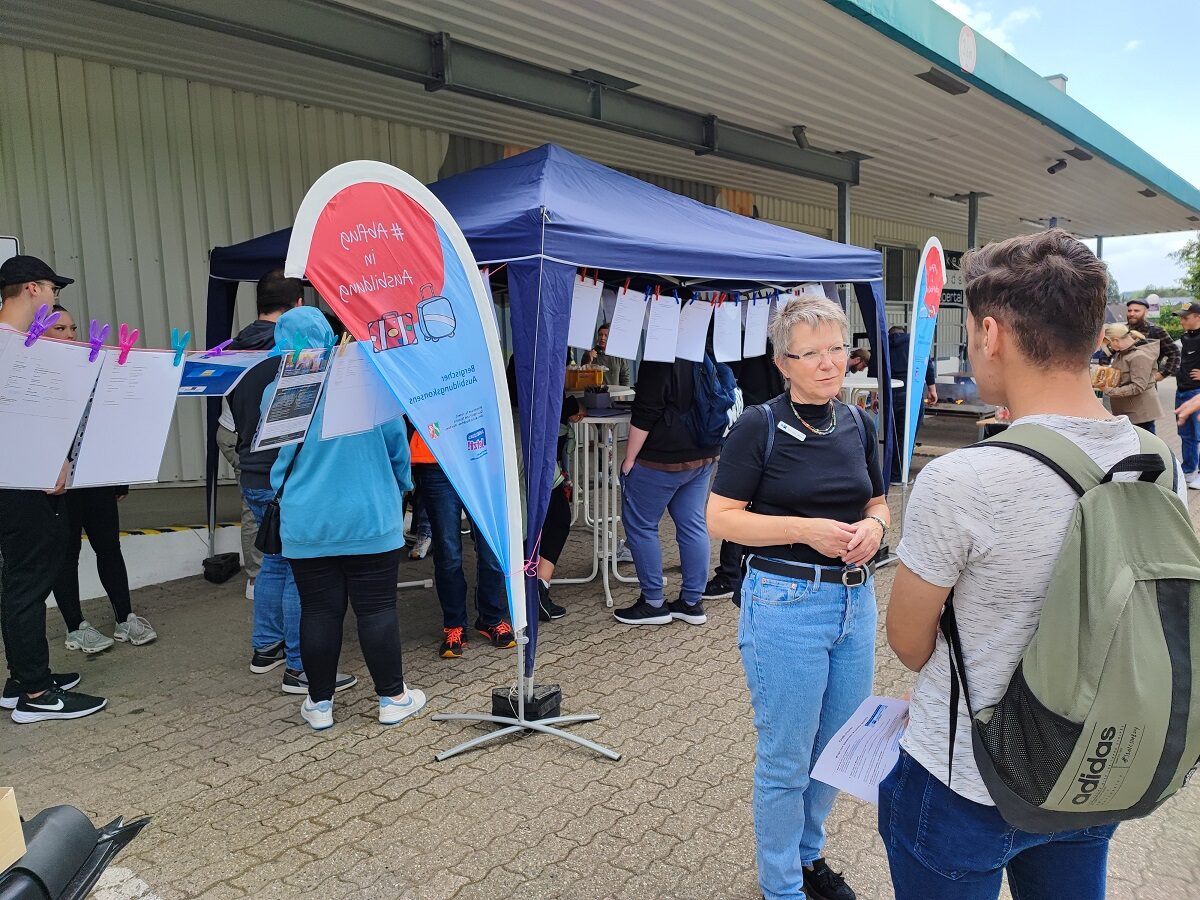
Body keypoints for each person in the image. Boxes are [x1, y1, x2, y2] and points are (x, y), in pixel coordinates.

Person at [881, 231, 1186, 899]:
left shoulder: (963, 477)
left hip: (967, 777)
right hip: (1089, 765)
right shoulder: (1155, 460)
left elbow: (908, 644)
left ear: (991, 334)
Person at [707, 296, 887, 900]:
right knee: (787, 755)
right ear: (782, 362)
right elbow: (721, 519)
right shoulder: (758, 425)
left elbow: (878, 501)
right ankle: (781, 884)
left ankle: (809, 857)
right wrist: (803, 528)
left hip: (855, 605)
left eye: (836, 348)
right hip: (785, 603)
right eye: (810, 353)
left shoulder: (858, 422)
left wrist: (878, 529)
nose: (828, 363)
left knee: (835, 746)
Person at [268, 308, 424, 730]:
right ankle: (392, 699)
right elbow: (397, 445)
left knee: (318, 611)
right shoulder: (369, 380)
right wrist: (403, 484)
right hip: (370, 515)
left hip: (306, 521)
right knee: (376, 609)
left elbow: (277, 459)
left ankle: (319, 706)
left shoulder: (281, 390)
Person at [229, 270, 354, 695]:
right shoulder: (297, 358)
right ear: (298, 307)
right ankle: (301, 668)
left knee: (274, 561)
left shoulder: (236, 351)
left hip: (251, 470)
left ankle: (266, 648)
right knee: (304, 570)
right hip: (284, 475)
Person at [0, 255, 105, 722]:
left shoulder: (19, 343)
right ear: (30, 290)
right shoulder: (7, 344)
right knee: (25, 581)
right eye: (52, 288)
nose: (56, 297)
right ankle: (37, 696)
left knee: (27, 577)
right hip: (17, 484)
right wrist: (46, 461)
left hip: (25, 479)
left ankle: (24, 678)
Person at [45, 306, 157, 651]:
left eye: (73, 328)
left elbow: (109, 421)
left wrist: (118, 474)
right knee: (66, 552)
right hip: (58, 482)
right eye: (60, 328)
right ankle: (75, 625)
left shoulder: (91, 367)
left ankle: (126, 618)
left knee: (109, 545)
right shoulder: (35, 370)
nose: (70, 335)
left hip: (96, 476)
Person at [614, 356, 721, 626]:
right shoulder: (706, 348)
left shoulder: (659, 355)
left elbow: (646, 411)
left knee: (641, 525)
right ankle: (692, 602)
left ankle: (653, 603)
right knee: (693, 524)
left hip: (661, 458)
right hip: (704, 453)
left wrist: (629, 459)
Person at [411, 430, 516, 658]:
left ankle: (491, 618)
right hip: (436, 461)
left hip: (480, 459)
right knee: (448, 553)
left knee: (492, 549)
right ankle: (454, 625)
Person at [703, 347, 786, 604]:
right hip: (772, 423)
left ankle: (730, 575)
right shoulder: (769, 344)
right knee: (750, 505)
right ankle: (741, 570)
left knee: (736, 506)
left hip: (750, 426)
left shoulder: (739, 344)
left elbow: (727, 383)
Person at [869, 327, 937, 483]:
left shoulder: (881, 345)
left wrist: (874, 397)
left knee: (888, 435)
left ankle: (887, 473)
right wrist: (932, 389)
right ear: (903, 333)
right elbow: (927, 364)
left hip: (888, 395)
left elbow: (875, 373)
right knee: (905, 436)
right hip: (911, 395)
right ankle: (898, 476)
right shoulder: (914, 344)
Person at [216, 399, 261, 599]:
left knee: (258, 502)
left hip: (246, 433)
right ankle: (255, 578)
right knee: (253, 504)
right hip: (240, 435)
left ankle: (261, 574)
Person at [1101, 323, 1163, 432]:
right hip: (1131, 411)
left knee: (1144, 447)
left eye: (1109, 345)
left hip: (1140, 414)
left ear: (1116, 340)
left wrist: (1112, 391)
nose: (1110, 349)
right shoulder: (1123, 354)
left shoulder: (1139, 356)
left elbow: (1138, 386)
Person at [1173, 303, 1200, 489]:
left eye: (1186, 317)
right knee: (1186, 435)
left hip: (1197, 393)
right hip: (1182, 391)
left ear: (1197, 317)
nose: (1182, 321)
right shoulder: (1185, 337)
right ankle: (1188, 471)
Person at [1125, 297, 1179, 382]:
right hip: (1121, 383)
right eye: (1129, 311)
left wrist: (1163, 374)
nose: (1132, 314)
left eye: (1136, 311)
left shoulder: (1156, 331)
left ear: (1146, 312)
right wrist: (1104, 364)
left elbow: (1175, 353)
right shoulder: (1122, 330)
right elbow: (1108, 351)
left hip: (1146, 384)